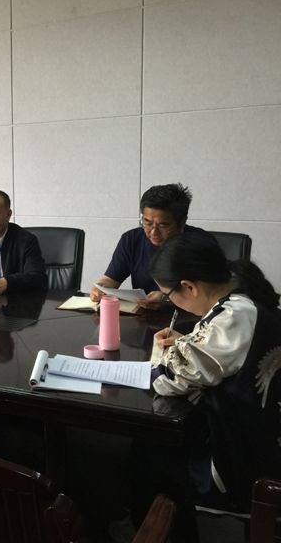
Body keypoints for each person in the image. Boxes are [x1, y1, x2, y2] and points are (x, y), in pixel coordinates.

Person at [135, 232, 281, 539]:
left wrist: (162, 354)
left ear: (188, 287)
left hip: (247, 446)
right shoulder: (241, 292)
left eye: (168, 295)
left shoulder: (233, 316)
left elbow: (168, 380)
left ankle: (167, 531)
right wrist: (187, 344)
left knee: (151, 451)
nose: (170, 302)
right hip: (262, 422)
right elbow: (217, 353)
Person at [90, 183, 203, 309]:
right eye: (147, 223)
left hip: (188, 316)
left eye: (163, 225)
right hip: (143, 314)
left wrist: (168, 298)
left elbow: (208, 296)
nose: (153, 232)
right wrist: (101, 287)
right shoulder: (131, 239)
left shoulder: (200, 243)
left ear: (182, 222)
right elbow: (111, 279)